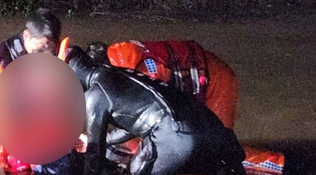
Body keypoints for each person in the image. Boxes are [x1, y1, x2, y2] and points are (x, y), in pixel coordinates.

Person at [64, 46, 258, 175]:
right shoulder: (121, 74)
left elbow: (95, 152)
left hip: (179, 135)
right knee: (224, 174)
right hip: (214, 129)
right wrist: (94, 139)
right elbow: (132, 122)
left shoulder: (94, 95)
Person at [0, 8, 81, 175]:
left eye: (49, 51)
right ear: (27, 36)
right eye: (39, 49)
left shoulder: (55, 56)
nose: (42, 56)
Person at [87, 40, 238, 129]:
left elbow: (156, 115)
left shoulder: (140, 74)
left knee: (222, 148)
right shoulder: (121, 56)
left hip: (215, 79)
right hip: (199, 71)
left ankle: (259, 163)